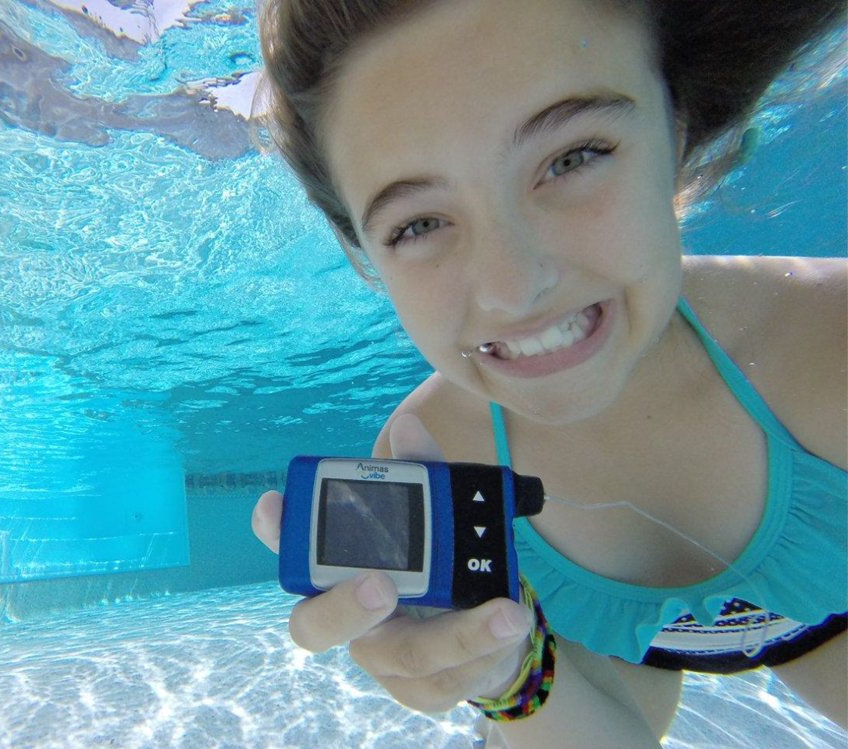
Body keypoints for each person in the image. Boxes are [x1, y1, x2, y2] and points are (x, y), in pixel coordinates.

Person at [249, 1, 847, 746]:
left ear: (677, 130)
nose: (512, 289)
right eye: (419, 223)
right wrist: (507, 674)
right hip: (616, 649)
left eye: (572, 158)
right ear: (366, 255)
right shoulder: (435, 452)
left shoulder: (832, 339)